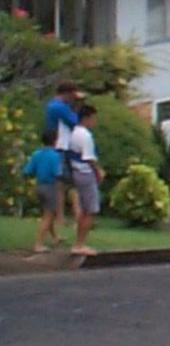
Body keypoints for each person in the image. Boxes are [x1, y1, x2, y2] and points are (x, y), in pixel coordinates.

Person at [66, 105, 105, 256]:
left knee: (84, 209)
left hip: (76, 172)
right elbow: (89, 157)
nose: (94, 122)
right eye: (93, 118)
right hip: (85, 173)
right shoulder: (85, 135)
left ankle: (78, 242)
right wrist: (99, 171)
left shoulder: (73, 133)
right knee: (91, 210)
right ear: (87, 118)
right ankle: (80, 244)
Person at [44, 81, 82, 225]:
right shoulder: (59, 107)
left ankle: (64, 216)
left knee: (62, 184)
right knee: (66, 183)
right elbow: (75, 121)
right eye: (72, 96)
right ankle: (70, 216)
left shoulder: (53, 105)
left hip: (60, 146)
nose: (74, 99)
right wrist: (77, 107)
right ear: (67, 93)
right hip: (62, 147)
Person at [22, 129, 64, 253]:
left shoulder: (37, 154)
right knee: (48, 215)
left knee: (47, 212)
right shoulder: (55, 156)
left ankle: (55, 237)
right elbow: (58, 174)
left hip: (39, 186)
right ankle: (38, 244)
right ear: (55, 141)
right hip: (50, 186)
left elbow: (27, 171)